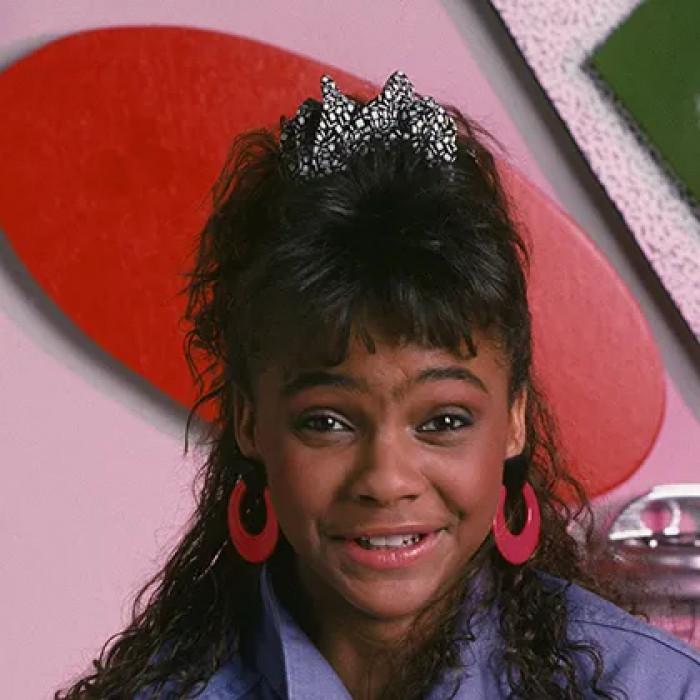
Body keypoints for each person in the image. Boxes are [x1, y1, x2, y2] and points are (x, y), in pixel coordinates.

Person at [56, 71, 700, 700]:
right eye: (327, 421)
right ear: (250, 422)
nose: (386, 480)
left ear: (514, 420)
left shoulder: (661, 687)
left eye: (443, 421)